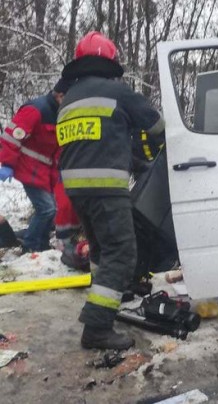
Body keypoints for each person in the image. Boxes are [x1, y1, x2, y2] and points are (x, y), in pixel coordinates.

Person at [58, 31, 165, 350]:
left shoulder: (70, 98)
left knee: (102, 251)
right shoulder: (117, 91)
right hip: (105, 186)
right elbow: (156, 124)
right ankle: (97, 327)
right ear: (110, 61)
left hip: (76, 189)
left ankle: (104, 301)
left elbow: (91, 141)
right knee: (122, 251)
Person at [0, 79, 71, 252]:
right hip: (28, 168)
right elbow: (12, 137)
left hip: (45, 172)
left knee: (51, 210)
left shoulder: (61, 113)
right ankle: (31, 246)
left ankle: (41, 244)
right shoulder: (36, 110)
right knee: (47, 209)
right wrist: (7, 163)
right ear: (60, 96)